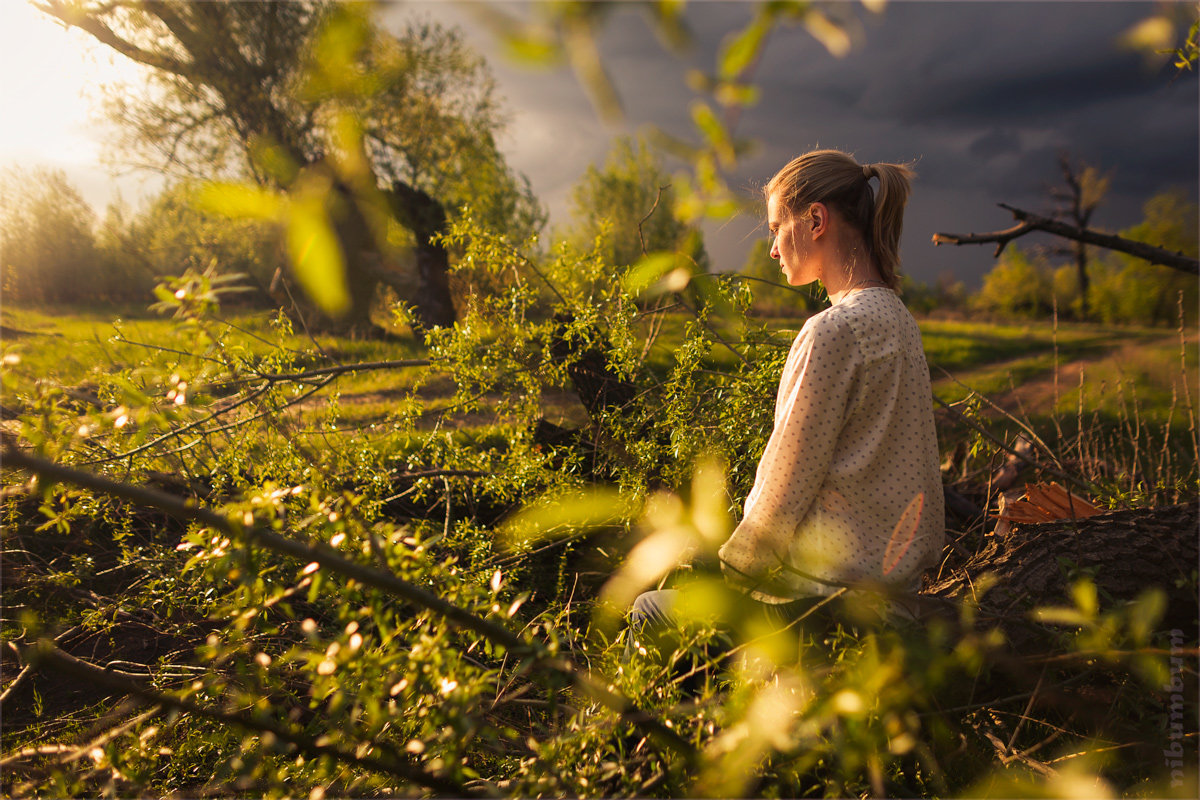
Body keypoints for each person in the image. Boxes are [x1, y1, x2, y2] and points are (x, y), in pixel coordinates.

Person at [630, 149, 945, 634]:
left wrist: (729, 572)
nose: (773, 249)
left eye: (777, 227)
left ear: (816, 220)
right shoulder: (900, 321)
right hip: (896, 601)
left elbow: (785, 487)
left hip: (824, 605)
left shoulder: (833, 330)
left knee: (649, 609)